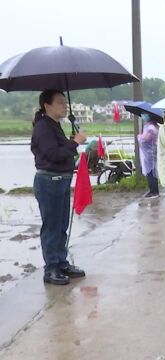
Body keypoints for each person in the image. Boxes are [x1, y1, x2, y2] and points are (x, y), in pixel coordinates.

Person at [31, 89, 88, 285]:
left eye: (65, 102)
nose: (65, 106)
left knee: (62, 224)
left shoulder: (54, 126)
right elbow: (53, 154)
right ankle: (51, 268)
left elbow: (62, 151)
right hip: (49, 182)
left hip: (61, 181)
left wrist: (71, 141)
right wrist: (74, 143)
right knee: (52, 226)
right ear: (47, 105)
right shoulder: (43, 128)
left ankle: (61, 262)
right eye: (60, 102)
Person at [137, 113, 159, 198]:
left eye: (145, 115)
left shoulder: (151, 128)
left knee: (151, 173)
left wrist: (139, 137)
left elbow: (145, 139)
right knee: (150, 172)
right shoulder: (150, 126)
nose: (143, 117)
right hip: (148, 153)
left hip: (150, 153)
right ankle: (152, 190)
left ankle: (154, 191)